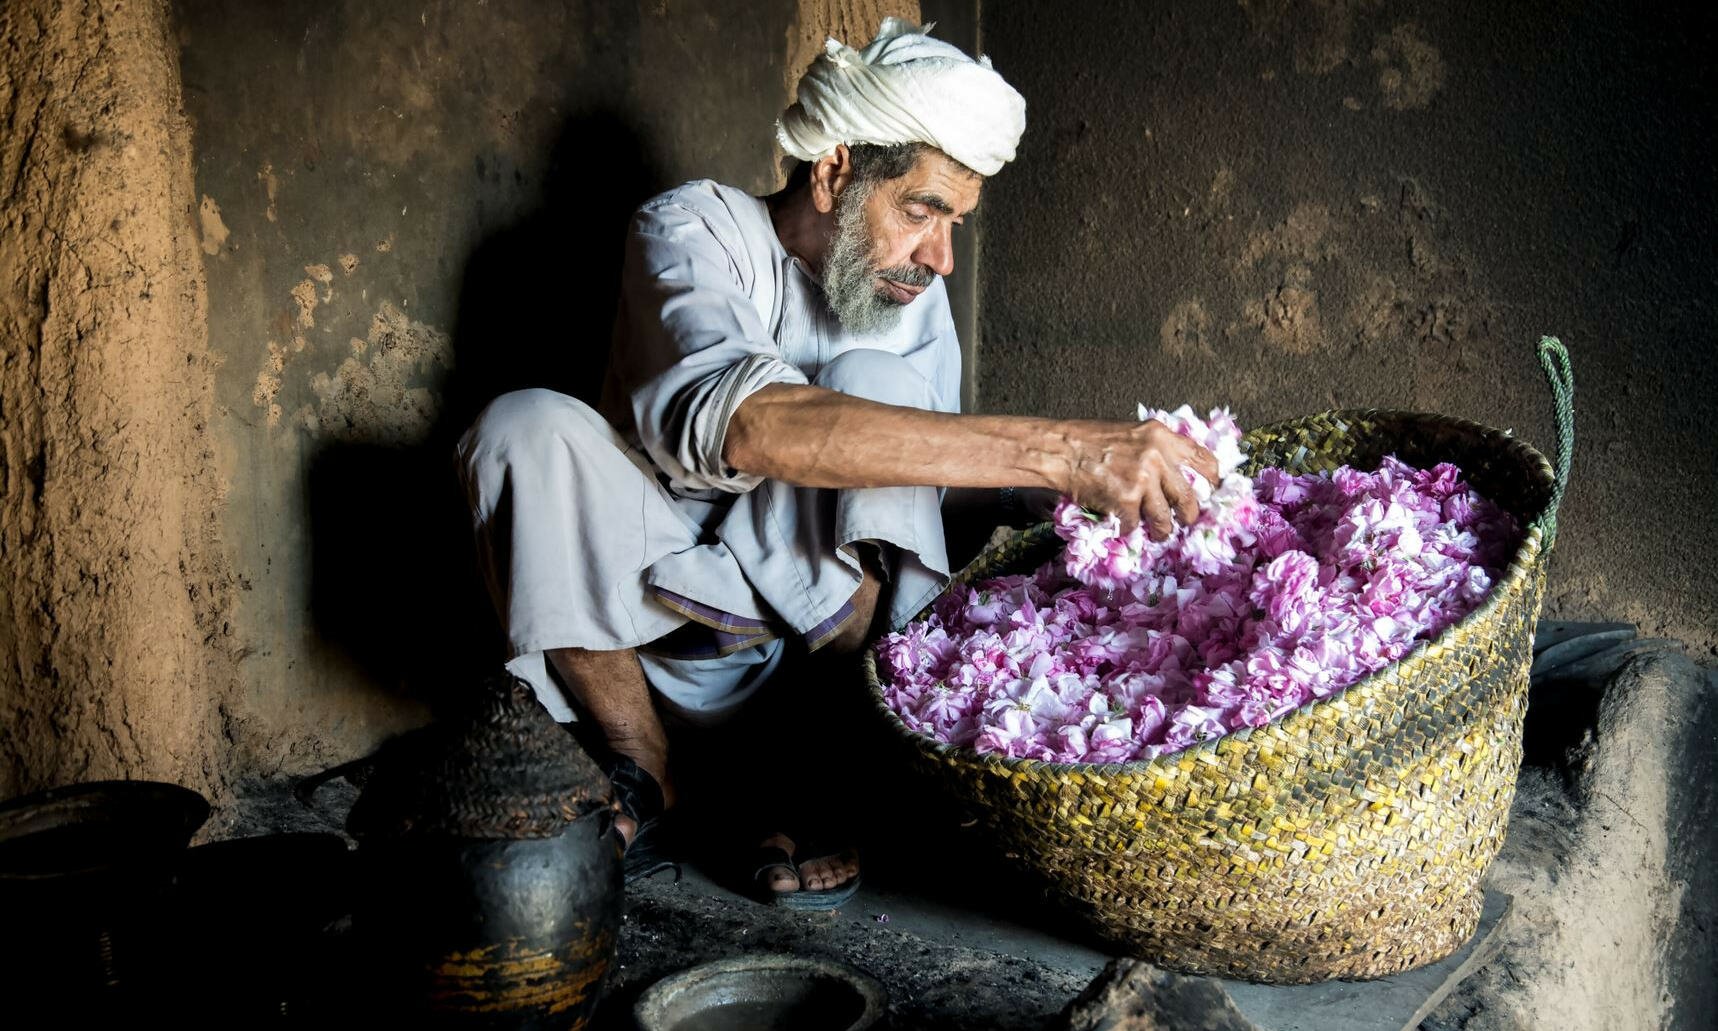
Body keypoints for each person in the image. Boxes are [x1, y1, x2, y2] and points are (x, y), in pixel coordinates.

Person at [456, 18, 1216, 907]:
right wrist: (1067, 453)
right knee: (520, 425)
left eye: (956, 222)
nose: (940, 257)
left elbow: (919, 508)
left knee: (872, 379)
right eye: (922, 210)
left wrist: (1054, 509)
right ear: (833, 171)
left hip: (807, 677)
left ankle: (812, 782)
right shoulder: (691, 228)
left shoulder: (910, 299)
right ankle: (644, 766)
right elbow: (751, 426)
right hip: (640, 625)